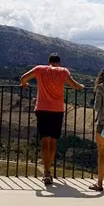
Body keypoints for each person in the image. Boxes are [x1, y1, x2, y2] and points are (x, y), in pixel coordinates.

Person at [20, 53, 84, 185]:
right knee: (53, 141)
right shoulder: (63, 71)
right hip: (57, 110)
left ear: (48, 62)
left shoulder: (39, 69)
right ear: (59, 63)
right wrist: (82, 86)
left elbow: (23, 78)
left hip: (42, 109)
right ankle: (49, 170)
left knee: (45, 140)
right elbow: (74, 85)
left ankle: (46, 171)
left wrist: (24, 84)